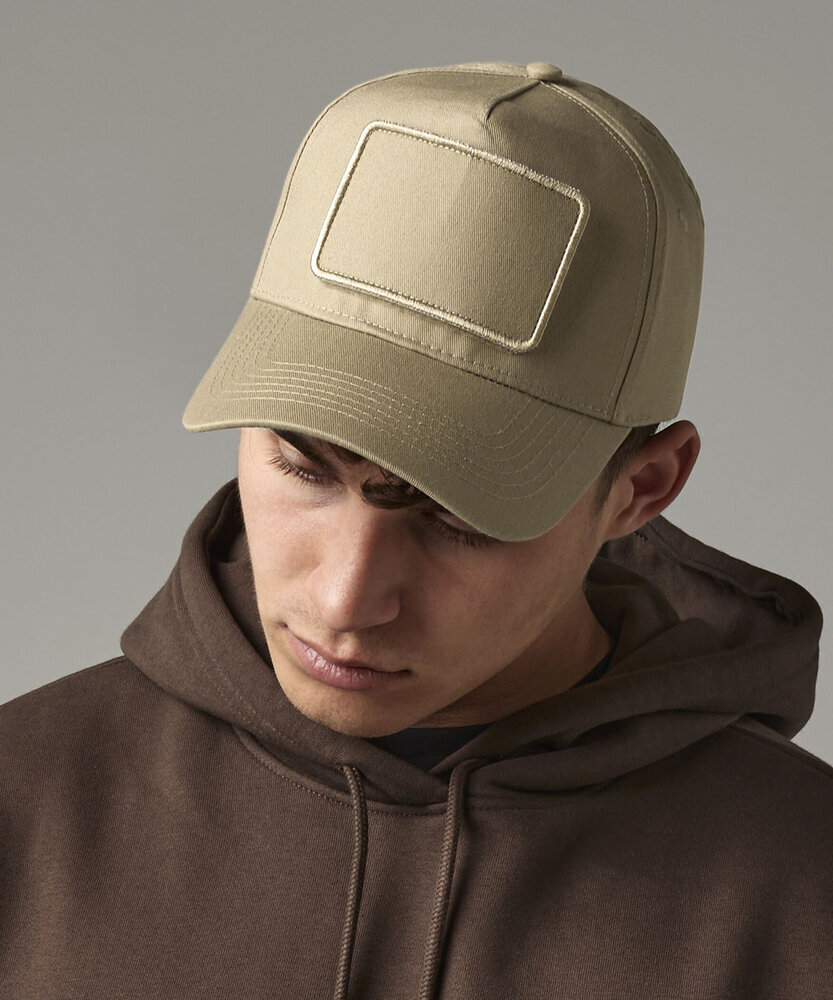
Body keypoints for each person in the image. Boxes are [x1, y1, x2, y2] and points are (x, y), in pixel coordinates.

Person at [1, 59, 830, 999]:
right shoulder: (25, 803)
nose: (345, 601)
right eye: (303, 468)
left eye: (459, 519)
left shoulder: (802, 899)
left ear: (642, 488)